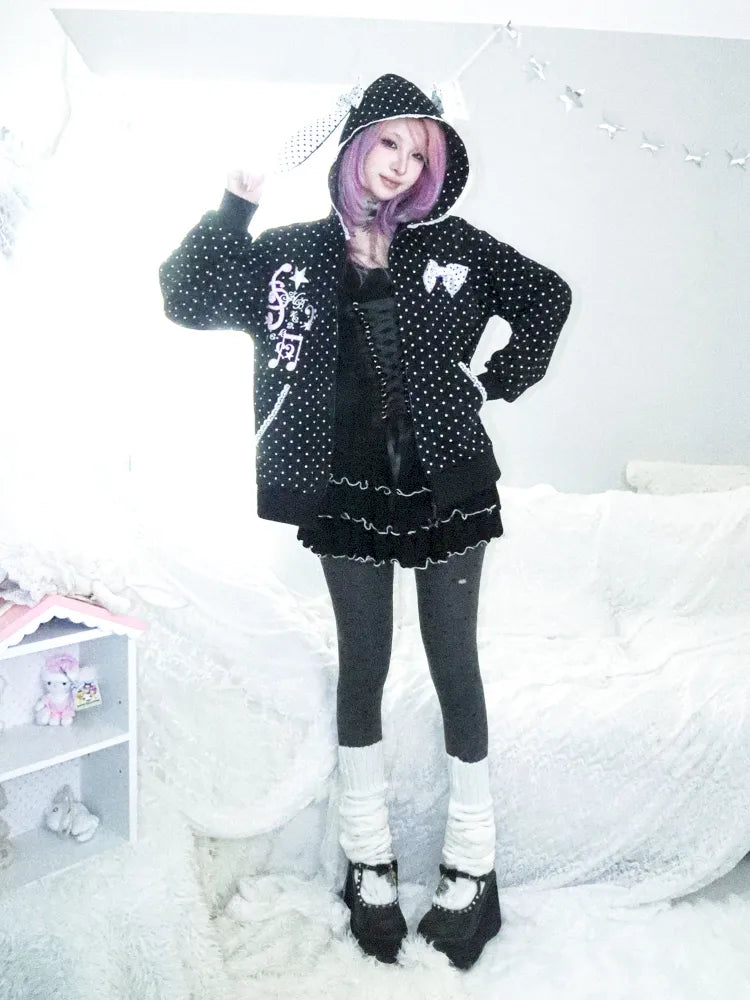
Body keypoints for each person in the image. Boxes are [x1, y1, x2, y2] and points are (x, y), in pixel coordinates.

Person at [159, 72, 572, 970]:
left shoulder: (452, 245)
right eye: (389, 142)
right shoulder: (291, 253)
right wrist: (235, 203)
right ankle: (368, 862)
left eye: (418, 153)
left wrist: (493, 380)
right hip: (344, 489)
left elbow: (548, 295)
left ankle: (475, 868)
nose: (400, 164)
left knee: (455, 664)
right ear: (355, 145)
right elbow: (187, 296)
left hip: (447, 485)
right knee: (364, 667)